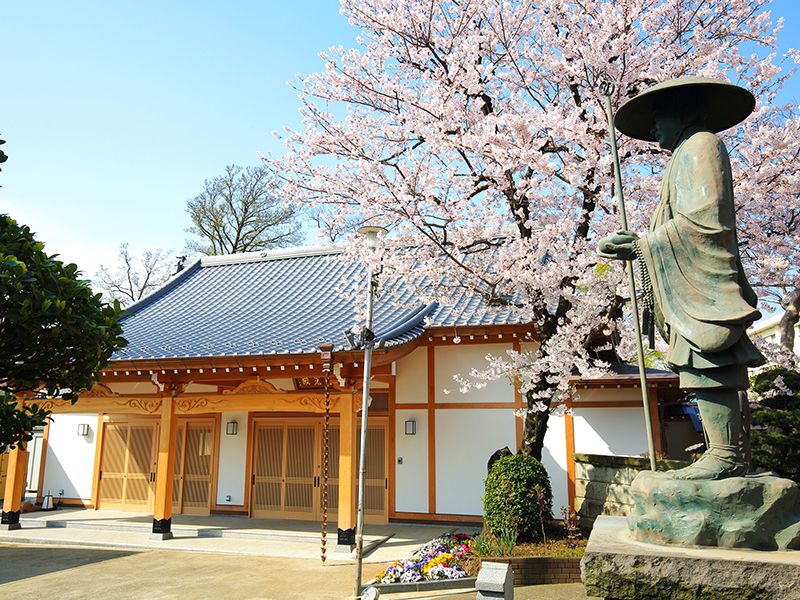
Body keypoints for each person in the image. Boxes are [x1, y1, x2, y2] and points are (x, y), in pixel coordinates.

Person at [598, 77, 766, 480]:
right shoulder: (685, 153)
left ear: (684, 109)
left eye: (658, 117)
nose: (653, 131)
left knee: (710, 359)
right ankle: (721, 452)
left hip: (701, 279)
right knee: (698, 364)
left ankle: (725, 454)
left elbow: (703, 223)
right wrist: (642, 243)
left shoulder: (701, 146)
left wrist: (643, 244)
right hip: (688, 276)